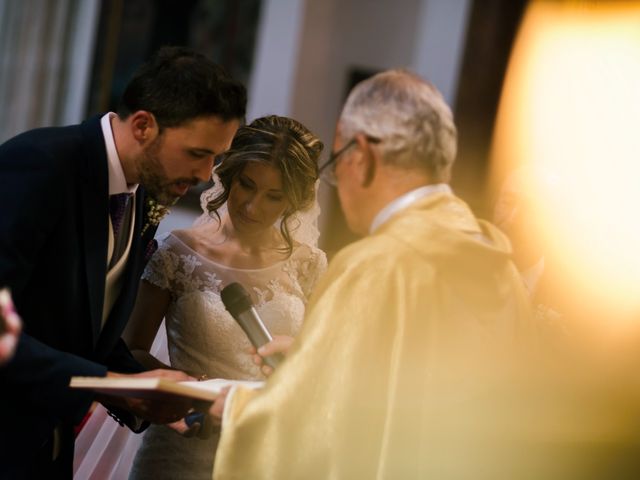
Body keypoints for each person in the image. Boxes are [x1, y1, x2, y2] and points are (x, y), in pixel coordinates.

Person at [208, 70, 537, 479]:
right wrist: (318, 360)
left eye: (336, 163)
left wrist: (240, 412)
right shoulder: (494, 260)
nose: (339, 183)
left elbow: (316, 432)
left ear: (360, 156)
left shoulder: (377, 266)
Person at [0, 46, 246, 478]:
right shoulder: (41, 165)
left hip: (45, 450)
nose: (208, 173)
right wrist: (115, 384)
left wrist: (152, 388)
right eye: (197, 153)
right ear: (144, 125)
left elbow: (85, 331)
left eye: (217, 157)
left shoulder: (143, 193)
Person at [75, 115, 327, 480]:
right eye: (247, 185)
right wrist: (186, 385)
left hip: (268, 456)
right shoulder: (177, 254)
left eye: (274, 196)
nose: (253, 207)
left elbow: (325, 365)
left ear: (294, 200)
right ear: (229, 174)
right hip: (182, 449)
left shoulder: (309, 265)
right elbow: (131, 353)